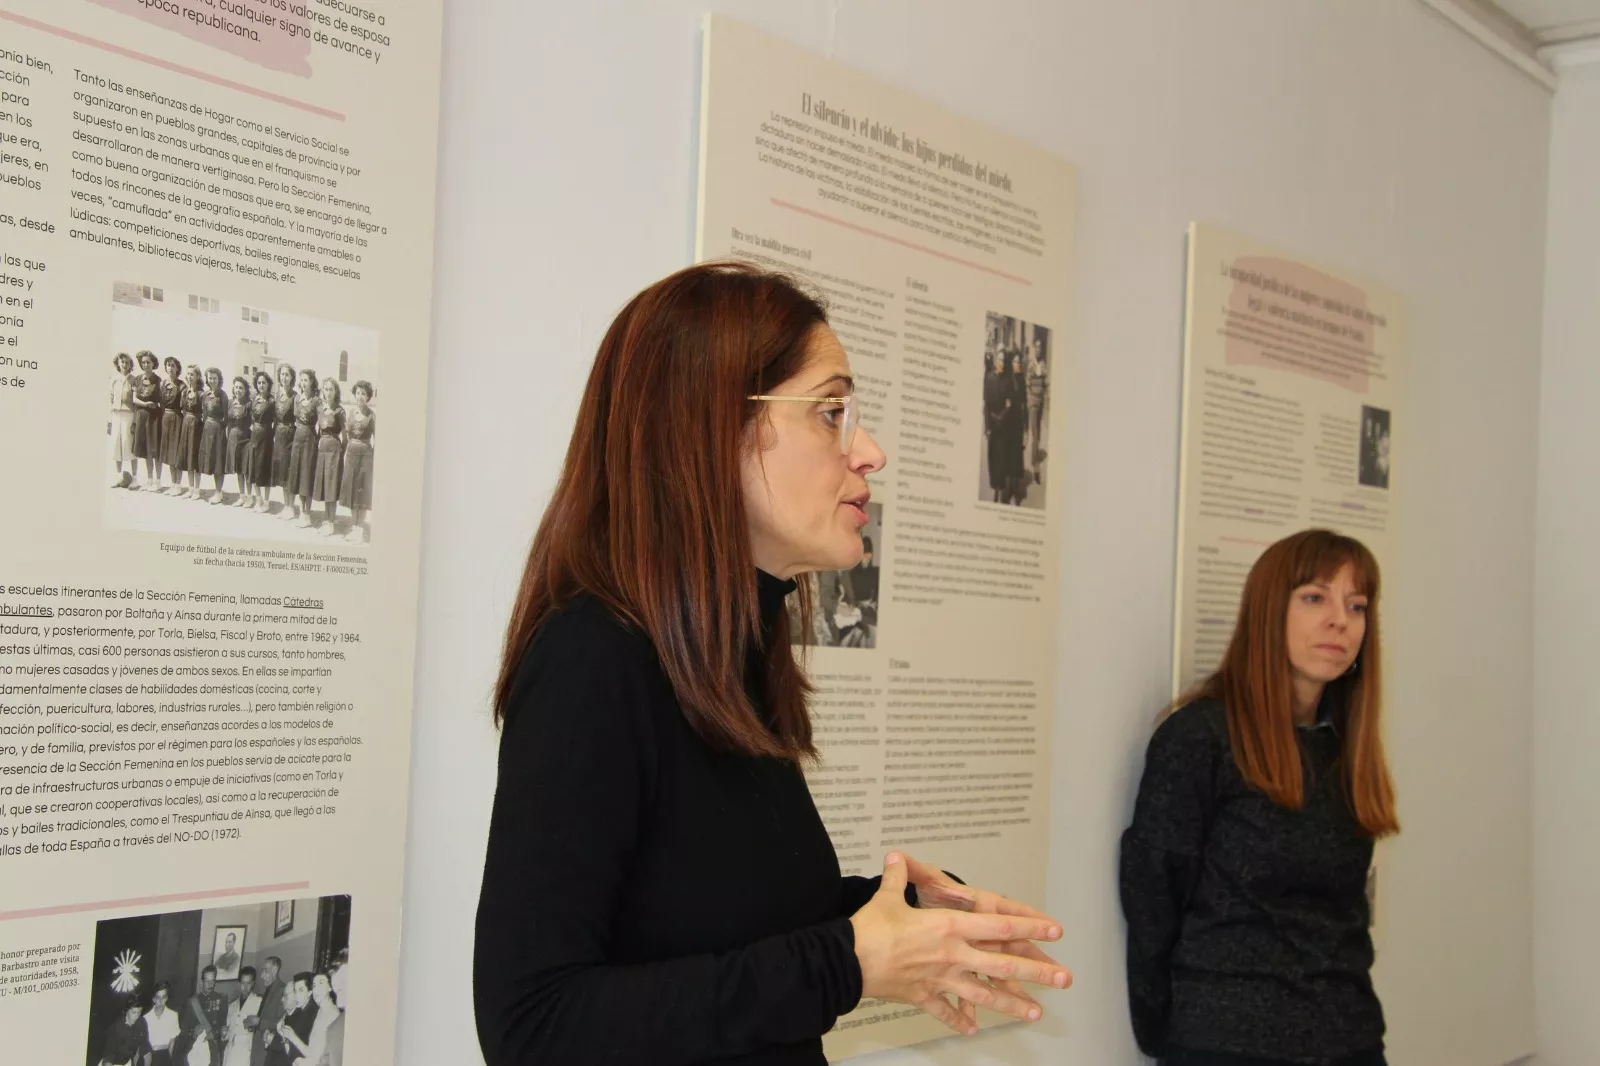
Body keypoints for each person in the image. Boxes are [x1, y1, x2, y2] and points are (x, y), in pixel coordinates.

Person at [474, 262, 1071, 1066]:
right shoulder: (595, 661)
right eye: (832, 413)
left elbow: (708, 923)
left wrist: (888, 915)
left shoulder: (729, 654)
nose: (870, 451)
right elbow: (534, 1026)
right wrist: (846, 961)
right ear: (713, 424)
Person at [1119, 528, 1400, 1066]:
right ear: (1270, 611)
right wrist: (1166, 1030)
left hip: (1348, 1037)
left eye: (1357, 605)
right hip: (1227, 1042)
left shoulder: (1345, 750)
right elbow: (1152, 898)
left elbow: (1343, 918)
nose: (1340, 620)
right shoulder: (1200, 738)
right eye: (1315, 597)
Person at [339, 382, 375, 543]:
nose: (360, 396)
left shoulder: (371, 415)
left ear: (368, 396)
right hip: (351, 454)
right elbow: (347, 435)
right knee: (352, 490)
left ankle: (360, 529)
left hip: (366, 456)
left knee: (362, 491)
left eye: (363, 393)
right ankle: (354, 525)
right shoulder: (351, 413)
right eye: (358, 393)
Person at [249, 956, 287, 1066]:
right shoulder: (268, 990)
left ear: (275, 969)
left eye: (265, 971)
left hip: (268, 1053)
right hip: (258, 1050)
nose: (261, 976)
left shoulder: (282, 991)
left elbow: (281, 1025)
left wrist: (259, 1022)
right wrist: (253, 1025)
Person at [223, 966, 262, 1066]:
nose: (245, 987)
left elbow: (260, 1027)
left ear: (253, 983)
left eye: (248, 983)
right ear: (239, 983)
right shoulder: (232, 1005)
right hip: (231, 1050)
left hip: (246, 1051)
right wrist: (224, 1034)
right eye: (243, 983)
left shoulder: (258, 1002)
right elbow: (229, 1030)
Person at [109, 352, 137, 489]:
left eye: (127, 362)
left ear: (130, 365)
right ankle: (118, 477)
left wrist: (135, 420)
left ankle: (135, 479)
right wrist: (109, 419)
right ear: (118, 364)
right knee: (116, 445)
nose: (124, 365)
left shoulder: (134, 380)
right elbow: (110, 398)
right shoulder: (114, 379)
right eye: (122, 362)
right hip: (116, 415)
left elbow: (136, 401)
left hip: (128, 415)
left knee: (129, 445)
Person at [98, 994, 149, 1066]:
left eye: (139, 1012)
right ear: (126, 1010)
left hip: (127, 1063)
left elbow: (146, 1051)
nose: (136, 1016)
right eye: (134, 1012)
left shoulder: (141, 1022)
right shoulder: (116, 1028)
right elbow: (107, 1059)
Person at [144, 981, 181, 1066]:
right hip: (149, 1055)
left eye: (163, 997)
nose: (160, 1001)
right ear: (153, 999)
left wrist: (169, 1059)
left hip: (164, 1056)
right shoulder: (146, 1017)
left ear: (167, 998)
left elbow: (172, 1041)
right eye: (158, 997)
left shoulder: (173, 1016)